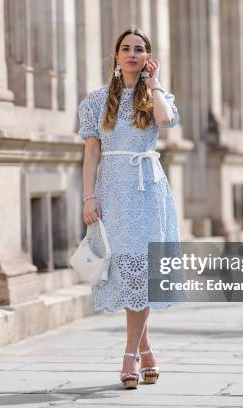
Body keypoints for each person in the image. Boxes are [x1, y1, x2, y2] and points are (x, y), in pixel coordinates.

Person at [77, 28, 181, 390]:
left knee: (143, 271)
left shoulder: (156, 96)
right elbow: (91, 152)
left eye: (139, 49)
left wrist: (153, 84)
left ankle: (129, 356)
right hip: (112, 191)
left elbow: (166, 121)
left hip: (149, 192)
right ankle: (148, 352)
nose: (132, 54)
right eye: (126, 48)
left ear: (148, 57)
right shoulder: (95, 100)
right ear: (116, 56)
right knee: (128, 271)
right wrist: (89, 197)